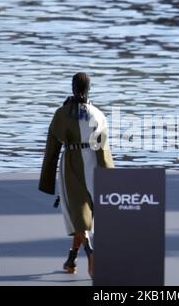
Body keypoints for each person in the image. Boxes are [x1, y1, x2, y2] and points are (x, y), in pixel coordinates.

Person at [39, 72, 114, 279]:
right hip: (95, 163)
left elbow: (52, 147)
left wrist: (47, 177)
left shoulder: (62, 113)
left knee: (77, 214)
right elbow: (105, 148)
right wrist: (110, 177)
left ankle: (91, 254)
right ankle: (71, 258)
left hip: (72, 162)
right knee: (87, 213)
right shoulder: (98, 114)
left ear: (72, 88)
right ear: (89, 88)